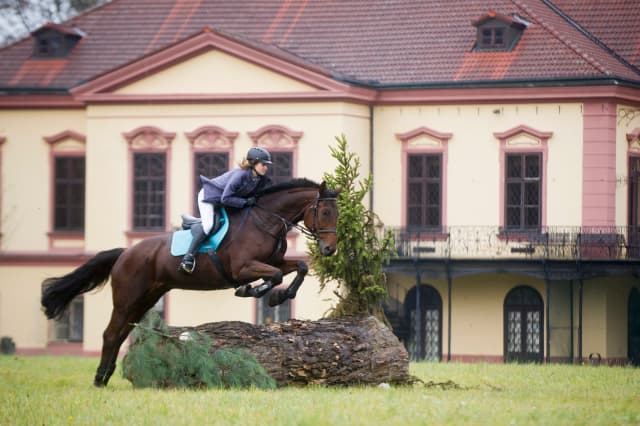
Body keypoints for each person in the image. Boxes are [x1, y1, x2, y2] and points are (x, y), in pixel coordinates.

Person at [178, 146, 273, 274]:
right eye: (263, 164)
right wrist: (245, 202)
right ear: (254, 163)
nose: (266, 167)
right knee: (209, 225)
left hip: (224, 201)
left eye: (267, 165)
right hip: (209, 197)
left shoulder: (258, 179)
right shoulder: (240, 175)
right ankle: (188, 258)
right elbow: (225, 198)